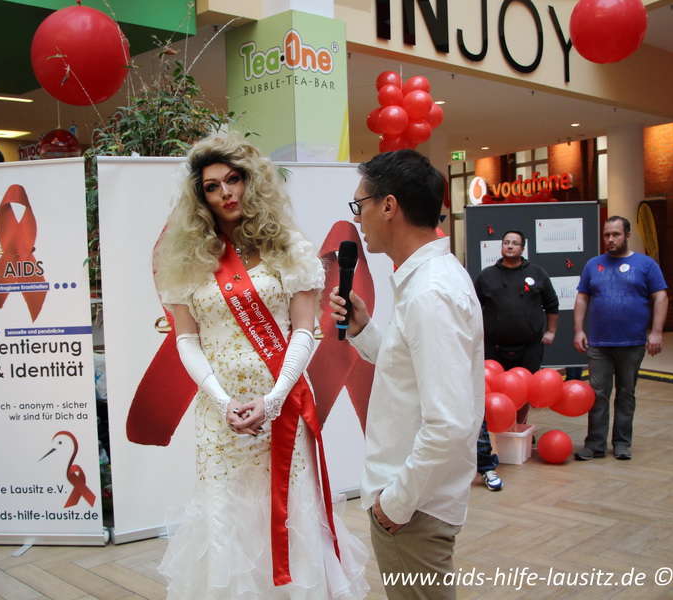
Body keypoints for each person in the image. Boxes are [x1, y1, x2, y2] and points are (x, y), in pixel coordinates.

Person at [153, 132, 368, 599]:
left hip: (282, 405)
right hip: (221, 415)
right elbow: (186, 339)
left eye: (234, 179)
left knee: (290, 510)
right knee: (224, 518)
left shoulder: (289, 248)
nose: (225, 193)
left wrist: (272, 400)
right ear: (200, 197)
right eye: (212, 186)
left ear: (252, 181)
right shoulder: (187, 258)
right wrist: (222, 401)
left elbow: (304, 331)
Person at [329, 149, 484, 600]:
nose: (357, 217)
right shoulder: (426, 282)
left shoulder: (430, 293)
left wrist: (394, 504)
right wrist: (364, 330)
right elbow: (411, 374)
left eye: (360, 204)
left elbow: (449, 424)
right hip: (414, 499)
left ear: (389, 206)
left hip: (413, 508)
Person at [573, 215, 668, 461]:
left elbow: (660, 297)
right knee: (597, 394)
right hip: (599, 344)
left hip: (632, 343)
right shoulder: (593, 264)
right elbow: (582, 297)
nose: (610, 239)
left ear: (627, 235)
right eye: (607, 235)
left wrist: (656, 332)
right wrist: (579, 330)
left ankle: (622, 443)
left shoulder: (646, 264)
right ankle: (595, 444)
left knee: (626, 393)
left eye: (616, 234)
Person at [473, 230, 559, 491]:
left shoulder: (538, 274)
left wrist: (550, 331)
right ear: (501, 247)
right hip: (494, 346)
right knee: (492, 393)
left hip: (529, 345)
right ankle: (493, 437)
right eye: (506, 243)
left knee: (525, 391)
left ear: (523, 248)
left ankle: (518, 430)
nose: (510, 246)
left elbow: (552, 304)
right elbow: (473, 308)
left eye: (515, 243)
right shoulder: (486, 276)